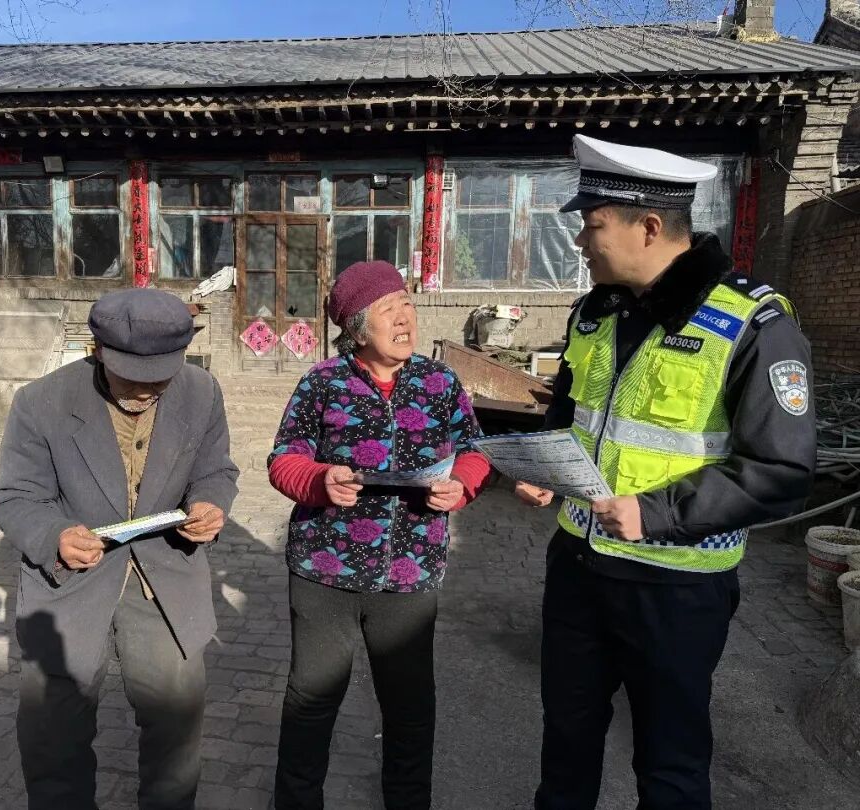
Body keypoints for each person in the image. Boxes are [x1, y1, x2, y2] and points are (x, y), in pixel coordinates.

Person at [518, 135, 817, 810]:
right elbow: (569, 412)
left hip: (675, 589)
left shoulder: (753, 324)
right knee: (565, 743)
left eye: (593, 226)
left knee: (670, 765)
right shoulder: (595, 312)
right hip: (578, 570)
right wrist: (545, 466)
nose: (581, 242)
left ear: (649, 227)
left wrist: (656, 513)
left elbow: (781, 469)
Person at [0, 288, 239, 810]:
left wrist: (210, 503)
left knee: (175, 734)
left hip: (165, 578)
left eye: (159, 378)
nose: (145, 391)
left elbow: (216, 470)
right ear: (98, 350)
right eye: (131, 376)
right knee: (54, 736)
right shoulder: (41, 402)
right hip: (70, 586)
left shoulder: (201, 392)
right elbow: (16, 497)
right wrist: (55, 535)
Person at [267, 260, 493, 809]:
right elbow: (284, 458)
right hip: (326, 569)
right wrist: (320, 480)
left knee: (410, 709)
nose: (404, 318)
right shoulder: (323, 382)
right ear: (357, 328)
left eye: (407, 305)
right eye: (389, 310)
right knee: (311, 704)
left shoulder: (439, 382)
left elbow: (475, 450)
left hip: (411, 573)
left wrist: (461, 485)